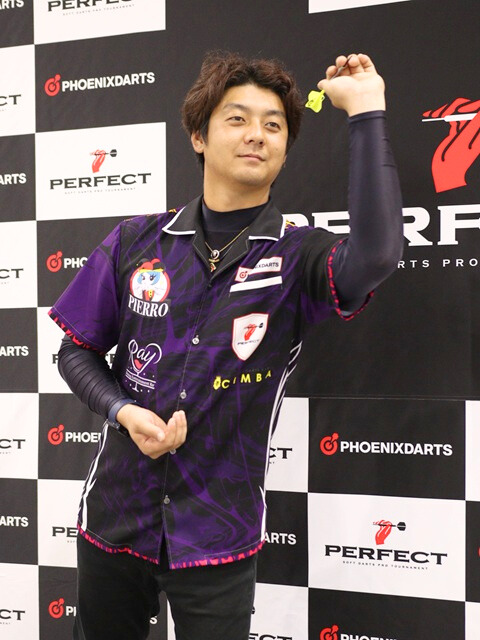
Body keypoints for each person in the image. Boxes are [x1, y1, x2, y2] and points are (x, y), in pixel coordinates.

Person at [50, 51, 403, 640]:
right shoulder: (136, 240)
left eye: (274, 125)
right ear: (199, 135)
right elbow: (74, 351)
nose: (256, 134)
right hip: (114, 520)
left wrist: (366, 110)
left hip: (219, 537)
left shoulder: (299, 254)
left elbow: (378, 254)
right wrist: (123, 410)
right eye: (237, 118)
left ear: (285, 148)